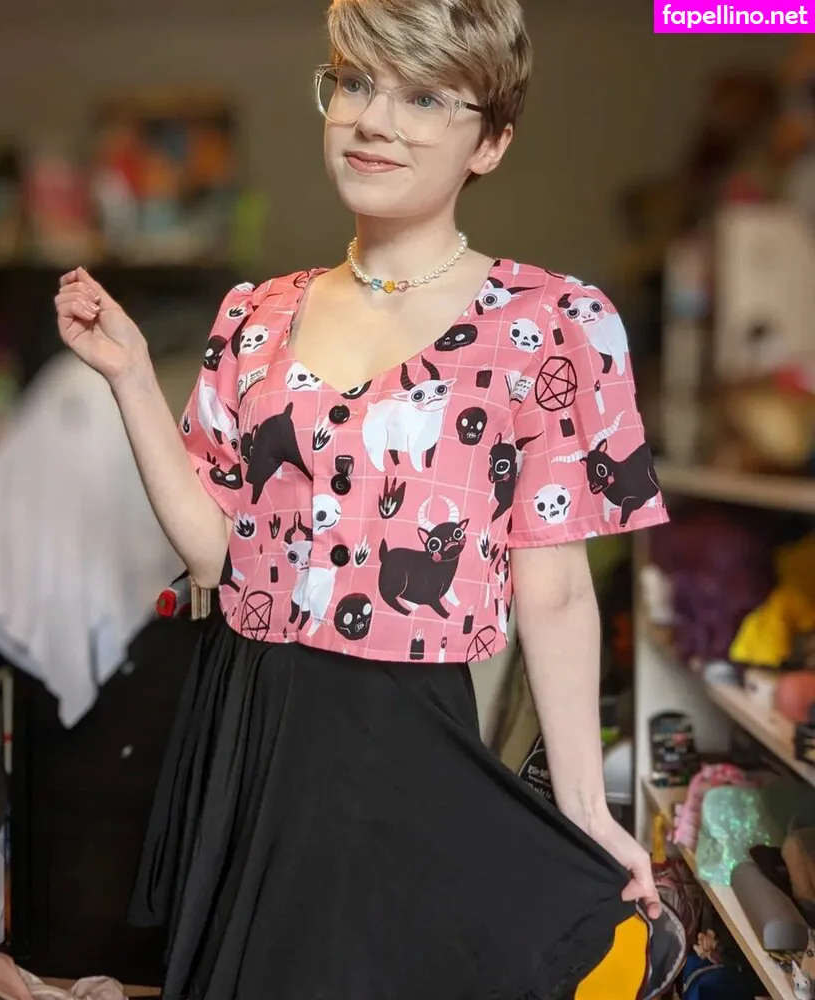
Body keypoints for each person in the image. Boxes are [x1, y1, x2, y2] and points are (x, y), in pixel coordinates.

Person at [54, 0, 669, 996]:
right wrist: (129, 376)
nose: (374, 120)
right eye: (356, 82)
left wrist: (588, 809)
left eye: (424, 97)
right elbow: (216, 556)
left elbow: (555, 592)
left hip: (403, 737)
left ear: (492, 142)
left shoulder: (554, 324)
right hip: (249, 719)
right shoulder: (253, 315)